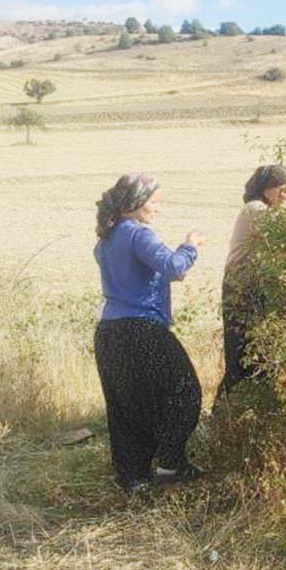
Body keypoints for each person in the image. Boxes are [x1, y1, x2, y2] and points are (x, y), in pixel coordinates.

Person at [93, 173, 206, 492]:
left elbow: (135, 277)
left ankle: (134, 479)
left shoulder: (108, 236)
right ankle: (170, 465)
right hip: (142, 330)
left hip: (110, 332)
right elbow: (174, 266)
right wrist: (190, 245)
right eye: (155, 202)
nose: (158, 209)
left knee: (128, 406)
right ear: (136, 202)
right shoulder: (137, 233)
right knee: (186, 391)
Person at [217, 164, 286, 399]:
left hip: (256, 288)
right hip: (241, 289)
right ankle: (228, 411)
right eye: (283, 189)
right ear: (267, 189)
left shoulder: (265, 209)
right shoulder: (255, 209)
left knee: (258, 353)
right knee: (241, 353)